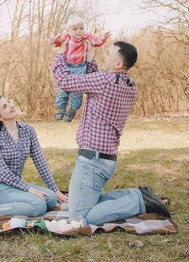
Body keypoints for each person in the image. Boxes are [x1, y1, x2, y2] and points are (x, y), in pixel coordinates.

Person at [52, 38, 171, 226]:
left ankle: (139, 201)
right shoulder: (129, 85)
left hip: (91, 161)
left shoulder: (104, 81)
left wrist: (60, 54)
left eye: (107, 54)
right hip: (106, 160)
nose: (103, 57)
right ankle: (136, 194)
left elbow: (64, 81)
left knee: (79, 218)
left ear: (118, 64)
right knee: (88, 203)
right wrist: (90, 57)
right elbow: (93, 80)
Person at [0, 96, 69, 216]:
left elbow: (40, 162)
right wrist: (28, 188)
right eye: (5, 106)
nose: (11, 105)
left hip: (15, 185)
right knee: (39, 206)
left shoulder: (28, 131)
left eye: (9, 102)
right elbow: (1, 172)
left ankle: (22, 203)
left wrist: (55, 190)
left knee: (51, 199)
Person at [51, 14, 110, 122]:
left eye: (81, 28)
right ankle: (61, 107)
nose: (79, 31)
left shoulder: (86, 37)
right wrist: (56, 40)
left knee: (77, 90)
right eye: (75, 29)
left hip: (80, 67)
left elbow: (96, 41)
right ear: (68, 30)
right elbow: (56, 44)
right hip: (67, 66)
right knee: (62, 88)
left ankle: (73, 109)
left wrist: (103, 38)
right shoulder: (66, 37)